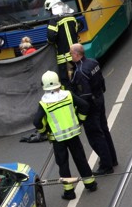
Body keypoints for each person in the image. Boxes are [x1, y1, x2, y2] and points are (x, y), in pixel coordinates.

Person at [33, 70, 97, 200]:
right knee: (80, 159)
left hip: (58, 139)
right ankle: (90, 184)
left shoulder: (44, 103)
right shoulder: (68, 95)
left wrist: (43, 131)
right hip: (73, 134)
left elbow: (37, 122)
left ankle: (69, 192)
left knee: (63, 164)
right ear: (58, 82)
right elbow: (84, 105)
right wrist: (80, 120)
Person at [70, 43, 118, 174]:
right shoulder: (93, 62)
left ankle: (106, 165)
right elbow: (101, 80)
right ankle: (112, 159)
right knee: (104, 129)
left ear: (76, 54)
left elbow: (84, 95)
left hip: (91, 106)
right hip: (100, 98)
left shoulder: (79, 72)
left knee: (95, 136)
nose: (69, 56)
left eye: (70, 54)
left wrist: (81, 113)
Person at [45, 0, 79, 85]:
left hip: (64, 59)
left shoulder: (54, 20)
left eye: (49, 10)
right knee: (79, 78)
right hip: (77, 55)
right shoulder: (72, 17)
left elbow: (51, 38)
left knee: (66, 82)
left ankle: (71, 98)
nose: (49, 13)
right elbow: (76, 31)